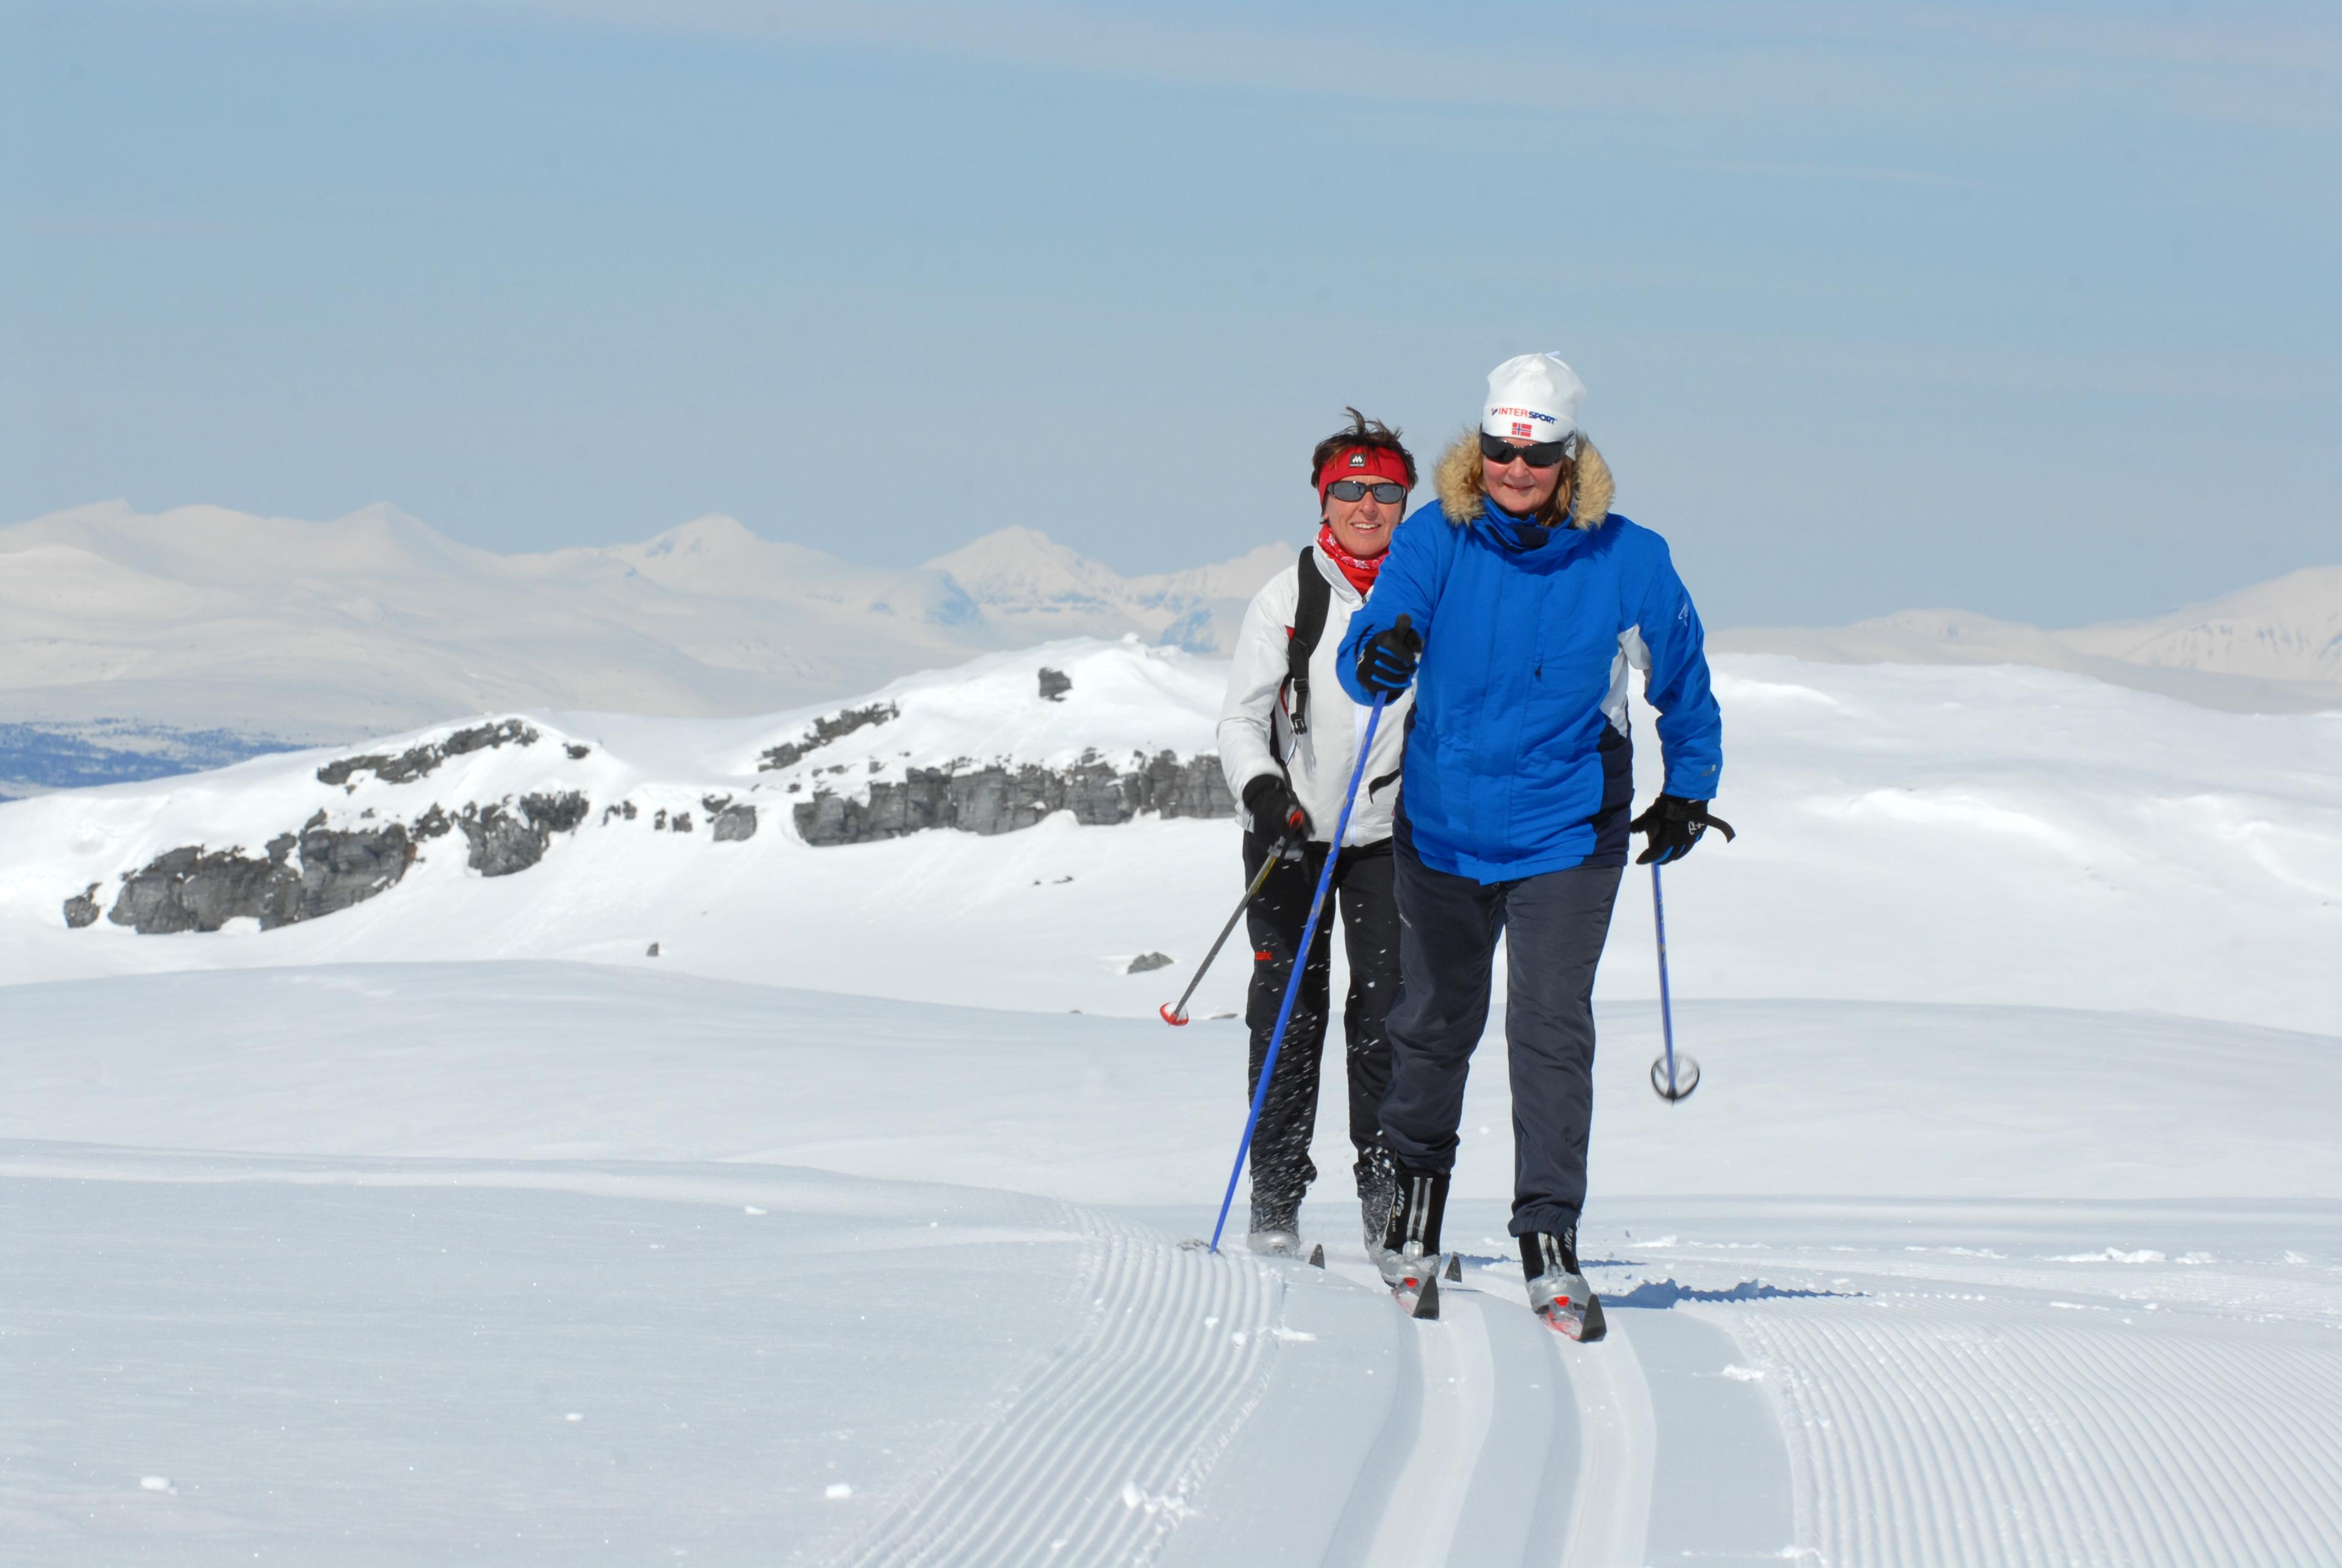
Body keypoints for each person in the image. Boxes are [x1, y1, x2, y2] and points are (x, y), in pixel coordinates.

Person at [1336, 354, 1729, 1338]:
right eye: (1503, 450)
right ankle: (1411, 1215)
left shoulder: (1628, 557)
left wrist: (1688, 788)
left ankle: (1548, 1238)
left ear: (1569, 456)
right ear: (1483, 448)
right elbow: (1375, 641)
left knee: (1550, 1033)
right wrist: (1376, 655)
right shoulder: (1436, 538)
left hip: (1567, 826)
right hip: (1445, 819)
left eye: (1537, 454)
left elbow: (1682, 675)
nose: (1517, 470)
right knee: (1434, 1022)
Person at [1216, 409, 1417, 1256]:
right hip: (1290, 839)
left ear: (1406, 501)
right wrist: (1266, 796)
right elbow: (1240, 720)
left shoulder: (1427, 591)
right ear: (1323, 499)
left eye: (1384, 492)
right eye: (1349, 491)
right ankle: (1275, 1201)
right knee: (1288, 1016)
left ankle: (1385, 1198)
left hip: (1388, 842)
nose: (1366, 507)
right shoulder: (1289, 595)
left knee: (1387, 1020)